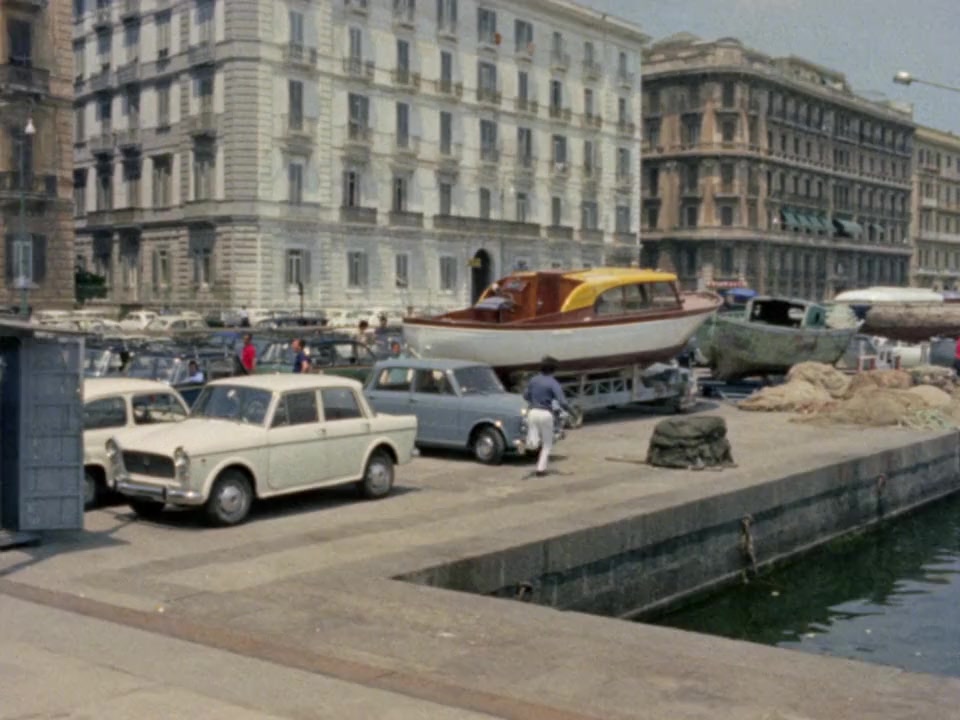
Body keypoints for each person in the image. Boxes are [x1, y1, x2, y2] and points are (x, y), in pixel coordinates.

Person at [522, 356, 574, 477]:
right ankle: (540, 470)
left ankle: (528, 443)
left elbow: (525, 395)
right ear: (554, 370)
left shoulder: (533, 380)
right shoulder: (553, 383)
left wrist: (533, 400)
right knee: (547, 443)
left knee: (533, 440)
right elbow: (562, 401)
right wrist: (570, 410)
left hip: (532, 412)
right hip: (546, 414)